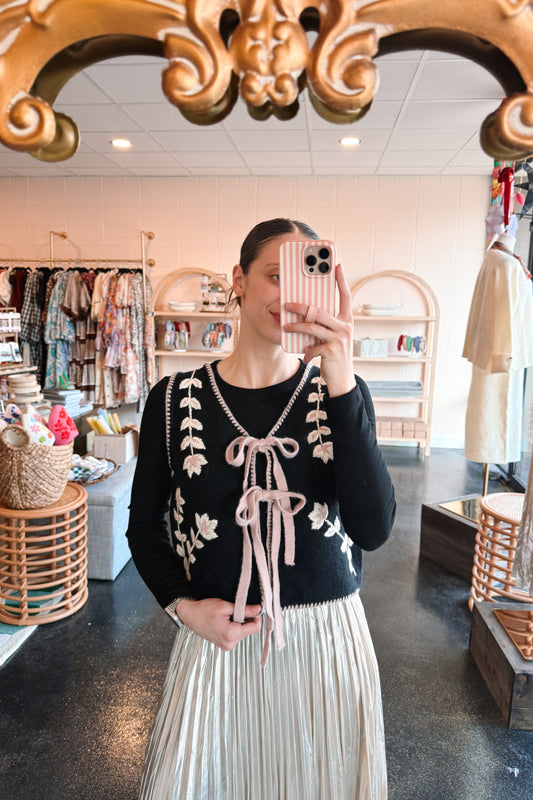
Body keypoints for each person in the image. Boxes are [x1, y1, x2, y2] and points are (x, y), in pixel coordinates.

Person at [126, 218, 396, 800]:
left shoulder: (340, 393)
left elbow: (374, 529)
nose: (289, 296)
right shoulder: (173, 400)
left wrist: (341, 372)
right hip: (217, 648)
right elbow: (144, 527)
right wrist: (182, 608)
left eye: (305, 279)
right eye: (275, 275)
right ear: (238, 282)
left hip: (328, 647)